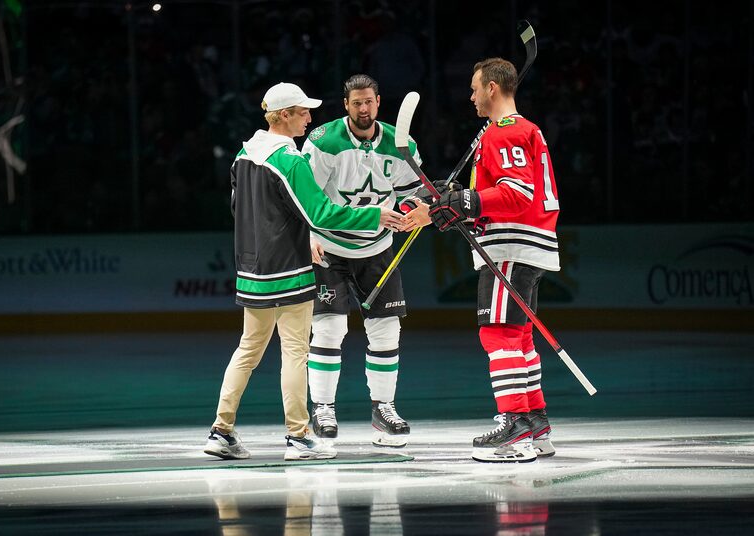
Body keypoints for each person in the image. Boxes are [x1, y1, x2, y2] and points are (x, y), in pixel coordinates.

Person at [204, 82, 406, 462]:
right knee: (295, 351)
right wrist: (374, 214)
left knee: (248, 350)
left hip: (252, 269)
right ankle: (298, 435)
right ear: (283, 115)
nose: (309, 118)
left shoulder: (244, 155)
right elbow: (321, 214)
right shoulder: (289, 160)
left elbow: (236, 207)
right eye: (301, 112)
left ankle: (221, 430)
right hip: (289, 268)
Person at [402, 58, 559, 463]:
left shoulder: (505, 132)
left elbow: (516, 194)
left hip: (511, 246)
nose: (470, 96)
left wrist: (460, 201)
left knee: (498, 334)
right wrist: (447, 204)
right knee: (519, 336)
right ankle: (534, 421)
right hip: (528, 243)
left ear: (492, 88)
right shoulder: (520, 130)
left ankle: (514, 427)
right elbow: (489, 198)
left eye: (475, 88)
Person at [302, 74, 422, 447]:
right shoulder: (323, 141)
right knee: (329, 328)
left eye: (368, 101)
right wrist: (305, 236)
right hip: (330, 247)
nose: (363, 109)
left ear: (378, 102)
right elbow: (303, 195)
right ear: (346, 105)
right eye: (356, 103)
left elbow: (412, 193)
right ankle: (322, 408)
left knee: (387, 330)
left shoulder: (401, 144)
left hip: (378, 248)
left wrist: (415, 210)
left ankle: (383, 409)